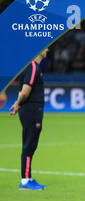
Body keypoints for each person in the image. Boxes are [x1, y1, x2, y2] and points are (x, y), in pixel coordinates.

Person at [9, 48, 48, 190]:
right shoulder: (32, 66)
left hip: (31, 110)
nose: (48, 49)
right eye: (46, 47)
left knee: (30, 144)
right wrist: (18, 103)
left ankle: (27, 178)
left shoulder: (31, 66)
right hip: (32, 111)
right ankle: (25, 181)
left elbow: (23, 91)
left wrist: (17, 103)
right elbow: (25, 91)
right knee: (29, 144)